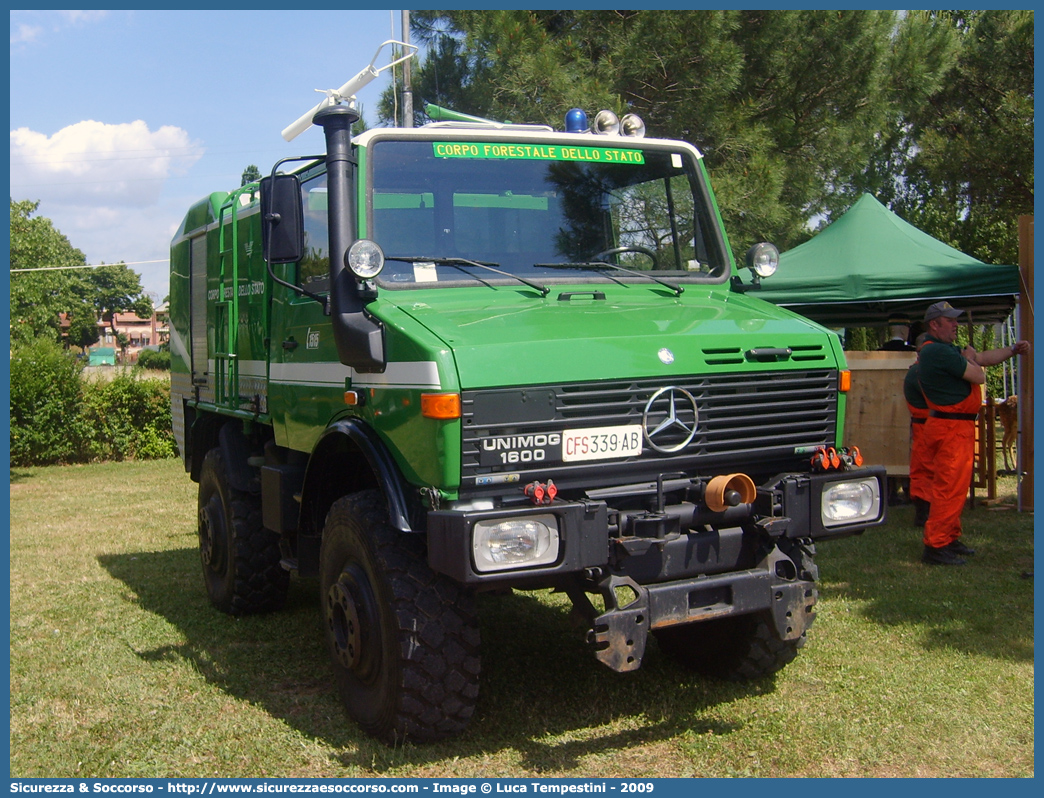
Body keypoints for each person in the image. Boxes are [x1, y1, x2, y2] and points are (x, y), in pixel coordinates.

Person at [917, 301, 1031, 565]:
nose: (956, 325)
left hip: (955, 426)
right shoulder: (937, 352)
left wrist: (1013, 349)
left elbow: (982, 358)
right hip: (950, 428)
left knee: (956, 488)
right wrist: (969, 359)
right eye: (950, 320)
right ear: (935, 324)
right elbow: (978, 374)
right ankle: (936, 545)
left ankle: (949, 536)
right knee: (949, 488)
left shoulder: (945, 350)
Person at [903, 334, 932, 526]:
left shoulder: (919, 371)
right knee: (924, 469)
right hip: (924, 426)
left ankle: (926, 512)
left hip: (926, 425)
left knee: (925, 469)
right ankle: (923, 514)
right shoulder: (917, 373)